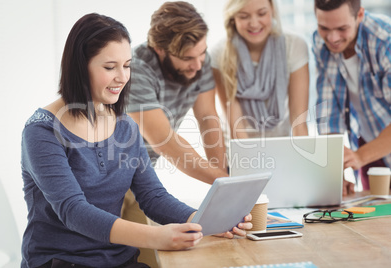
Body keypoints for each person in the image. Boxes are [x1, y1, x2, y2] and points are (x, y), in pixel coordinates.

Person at [20, 13, 251, 268]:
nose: (122, 77)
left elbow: (152, 196)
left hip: (119, 261)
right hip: (61, 262)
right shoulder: (41, 131)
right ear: (80, 66)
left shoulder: (125, 125)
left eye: (127, 65)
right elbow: (73, 211)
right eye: (110, 67)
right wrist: (158, 236)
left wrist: (206, 221)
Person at [127, 1, 228, 182]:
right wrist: (225, 181)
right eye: (187, 58)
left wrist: (222, 183)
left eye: (202, 53)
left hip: (141, 174)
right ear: (159, 49)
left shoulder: (200, 62)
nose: (198, 65)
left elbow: (207, 119)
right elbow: (165, 142)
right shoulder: (135, 68)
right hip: (103, 174)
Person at [313, 0, 391, 194]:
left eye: (342, 28)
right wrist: (335, 171)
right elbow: (328, 112)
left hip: (376, 145)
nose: (332, 38)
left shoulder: (385, 40)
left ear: (360, 15)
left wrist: (359, 156)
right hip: (367, 141)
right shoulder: (319, 42)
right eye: (324, 27)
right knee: (374, 216)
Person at [211, 0, 310, 139]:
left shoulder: (294, 46)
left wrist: (305, 157)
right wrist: (250, 158)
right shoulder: (220, 54)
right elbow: (237, 130)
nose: (254, 23)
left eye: (262, 13)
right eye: (244, 16)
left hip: (281, 144)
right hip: (239, 147)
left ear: (273, 10)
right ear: (233, 18)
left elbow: (298, 124)